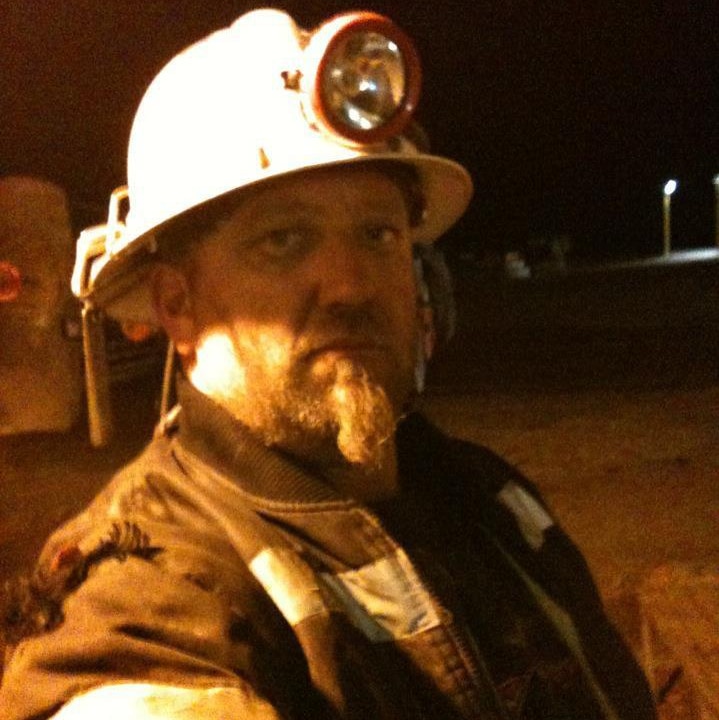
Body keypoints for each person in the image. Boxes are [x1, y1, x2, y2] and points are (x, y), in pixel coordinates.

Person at [0, 9, 656, 719]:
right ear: (176, 303)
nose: (351, 285)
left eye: (377, 233)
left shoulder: (489, 501)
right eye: (283, 240)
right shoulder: (145, 603)